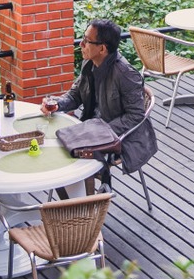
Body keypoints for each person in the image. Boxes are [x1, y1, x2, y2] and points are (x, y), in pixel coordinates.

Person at [41, 18, 157, 180]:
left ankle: (86, 200)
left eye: (87, 41)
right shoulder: (89, 63)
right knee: (53, 143)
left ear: (102, 49)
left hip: (121, 137)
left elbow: (136, 116)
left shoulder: (125, 74)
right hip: (90, 128)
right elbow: (75, 95)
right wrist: (56, 104)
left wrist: (100, 131)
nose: (81, 44)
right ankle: (74, 199)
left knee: (69, 156)